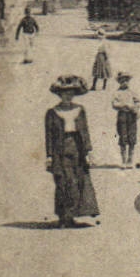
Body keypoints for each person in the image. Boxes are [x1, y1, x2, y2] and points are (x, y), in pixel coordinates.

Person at [45, 75, 100, 228]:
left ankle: (73, 216)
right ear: (59, 94)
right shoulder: (52, 112)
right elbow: (49, 136)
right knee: (63, 183)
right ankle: (64, 217)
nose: (68, 96)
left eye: (71, 93)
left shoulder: (80, 110)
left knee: (78, 181)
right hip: (60, 152)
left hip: (77, 149)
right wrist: (49, 156)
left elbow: (85, 131)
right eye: (64, 93)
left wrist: (89, 151)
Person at [111, 71, 140, 168]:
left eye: (126, 81)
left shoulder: (132, 92)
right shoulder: (117, 93)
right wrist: (123, 105)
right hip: (122, 115)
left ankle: (130, 160)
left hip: (131, 116)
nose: (125, 83)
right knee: (123, 136)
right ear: (119, 82)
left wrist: (135, 108)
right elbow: (114, 104)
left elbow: (137, 102)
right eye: (122, 81)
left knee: (132, 136)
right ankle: (123, 160)